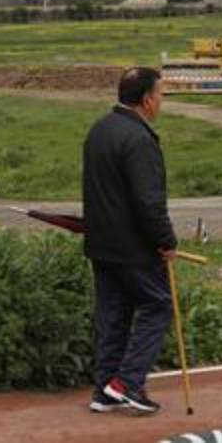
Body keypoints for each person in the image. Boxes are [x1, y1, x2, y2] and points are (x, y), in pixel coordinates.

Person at [81, 66, 178, 415]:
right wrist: (166, 240)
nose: (161, 103)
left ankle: (105, 391)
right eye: (161, 95)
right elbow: (148, 202)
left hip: (101, 244)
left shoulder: (100, 130)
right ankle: (128, 382)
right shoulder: (139, 140)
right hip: (133, 247)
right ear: (147, 99)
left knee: (113, 315)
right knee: (158, 307)